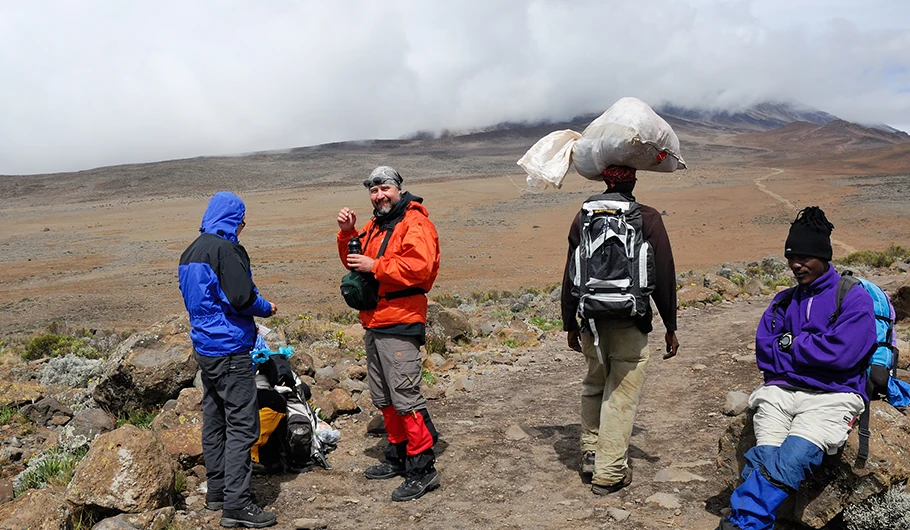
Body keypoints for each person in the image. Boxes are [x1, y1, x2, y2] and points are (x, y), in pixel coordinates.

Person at [718, 207, 876, 530]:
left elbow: (843, 355)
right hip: (783, 394)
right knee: (767, 455)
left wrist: (792, 346)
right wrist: (814, 354)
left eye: (804, 257)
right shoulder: (783, 302)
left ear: (824, 257)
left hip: (833, 397)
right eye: (791, 257)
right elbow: (765, 351)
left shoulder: (854, 299)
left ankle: (740, 524)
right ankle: (750, 522)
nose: (795, 265)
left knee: (793, 458)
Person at [561, 165, 679, 495]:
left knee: (594, 385)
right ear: (633, 181)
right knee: (621, 395)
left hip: (592, 323)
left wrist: (570, 323)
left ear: (604, 180)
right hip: (630, 321)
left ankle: (590, 453)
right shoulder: (648, 218)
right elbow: (664, 274)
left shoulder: (583, 216)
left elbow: (571, 271)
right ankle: (609, 472)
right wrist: (670, 325)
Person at [336, 166, 441, 502]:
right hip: (375, 320)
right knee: (384, 396)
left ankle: (422, 468)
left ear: (398, 189)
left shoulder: (415, 223)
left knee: (405, 396)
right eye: (373, 190)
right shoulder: (376, 224)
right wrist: (347, 233)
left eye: (384, 188)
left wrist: (376, 267)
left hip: (401, 319)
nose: (379, 195)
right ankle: (397, 455)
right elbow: (354, 262)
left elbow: (420, 267)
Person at [179, 191, 278, 529]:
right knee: (242, 424)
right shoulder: (226, 250)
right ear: (233, 218)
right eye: (242, 218)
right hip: (231, 347)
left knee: (216, 417)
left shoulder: (191, 251)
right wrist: (266, 307)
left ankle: (217, 492)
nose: (244, 224)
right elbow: (241, 297)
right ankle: (238, 504)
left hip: (205, 347)